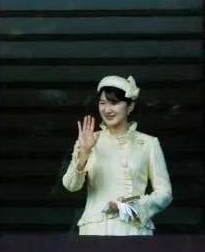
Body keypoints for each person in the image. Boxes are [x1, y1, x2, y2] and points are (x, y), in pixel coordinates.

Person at [62, 75, 171, 236]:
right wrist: (84, 152)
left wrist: (126, 205)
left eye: (114, 103)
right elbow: (71, 186)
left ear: (130, 106)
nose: (107, 109)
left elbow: (164, 193)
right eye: (102, 103)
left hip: (135, 229)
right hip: (95, 229)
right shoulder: (89, 139)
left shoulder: (148, 143)